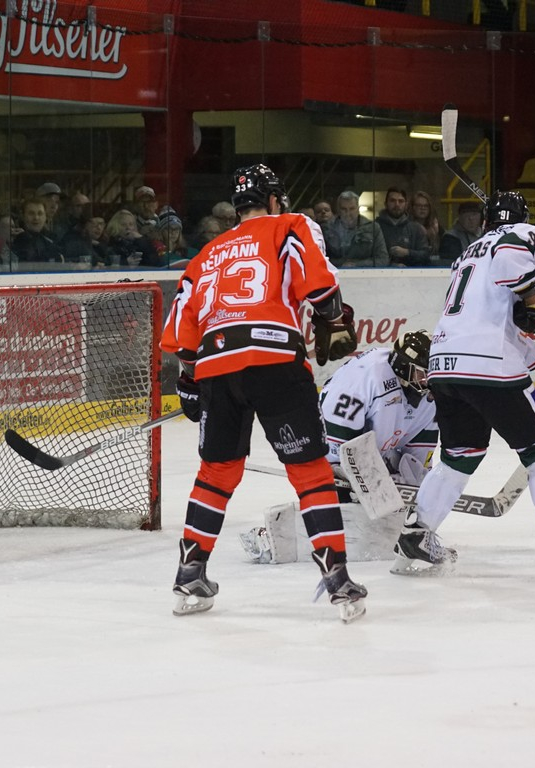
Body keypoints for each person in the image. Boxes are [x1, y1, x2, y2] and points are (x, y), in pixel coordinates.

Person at [160, 163, 367, 622]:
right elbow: (320, 284)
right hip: (274, 357)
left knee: (216, 472)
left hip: (216, 365)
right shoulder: (289, 225)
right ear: (273, 200)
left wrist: (190, 381)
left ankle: (189, 574)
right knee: (310, 471)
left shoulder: (206, 253)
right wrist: (333, 317)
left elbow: (181, 334)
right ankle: (337, 579)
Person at [392, 191, 535, 588]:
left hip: (444, 364)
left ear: (486, 220)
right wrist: (531, 296)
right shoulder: (522, 235)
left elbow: (503, 324)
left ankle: (415, 536)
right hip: (490, 365)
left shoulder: (467, 255)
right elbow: (512, 265)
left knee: (459, 455)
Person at [240, 331, 438, 564]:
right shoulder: (366, 377)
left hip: (374, 452)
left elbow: (418, 457)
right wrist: (357, 477)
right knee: (342, 511)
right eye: (422, 374)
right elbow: (336, 440)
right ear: (403, 367)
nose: (427, 382)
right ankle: (271, 537)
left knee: (388, 518)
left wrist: (410, 487)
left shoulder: (429, 397)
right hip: (328, 445)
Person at [322, 190, 388, 267]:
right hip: (336, 272)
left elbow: (383, 259)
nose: (348, 213)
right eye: (344, 209)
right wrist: (341, 264)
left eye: (352, 209)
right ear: (338, 210)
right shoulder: (327, 229)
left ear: (358, 209)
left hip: (365, 273)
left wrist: (356, 265)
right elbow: (321, 259)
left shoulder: (373, 228)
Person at [375, 186, 431, 266]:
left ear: (406, 204)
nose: (397, 204)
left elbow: (425, 255)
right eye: (392, 201)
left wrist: (407, 252)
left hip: (411, 273)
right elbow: (371, 257)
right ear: (385, 204)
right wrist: (391, 265)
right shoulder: (375, 227)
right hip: (382, 273)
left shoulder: (416, 228)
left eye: (401, 201)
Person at [409, 191, 441, 258]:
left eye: (426, 206)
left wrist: (435, 237)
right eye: (419, 205)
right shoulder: (407, 227)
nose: (423, 208)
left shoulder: (436, 227)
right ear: (412, 207)